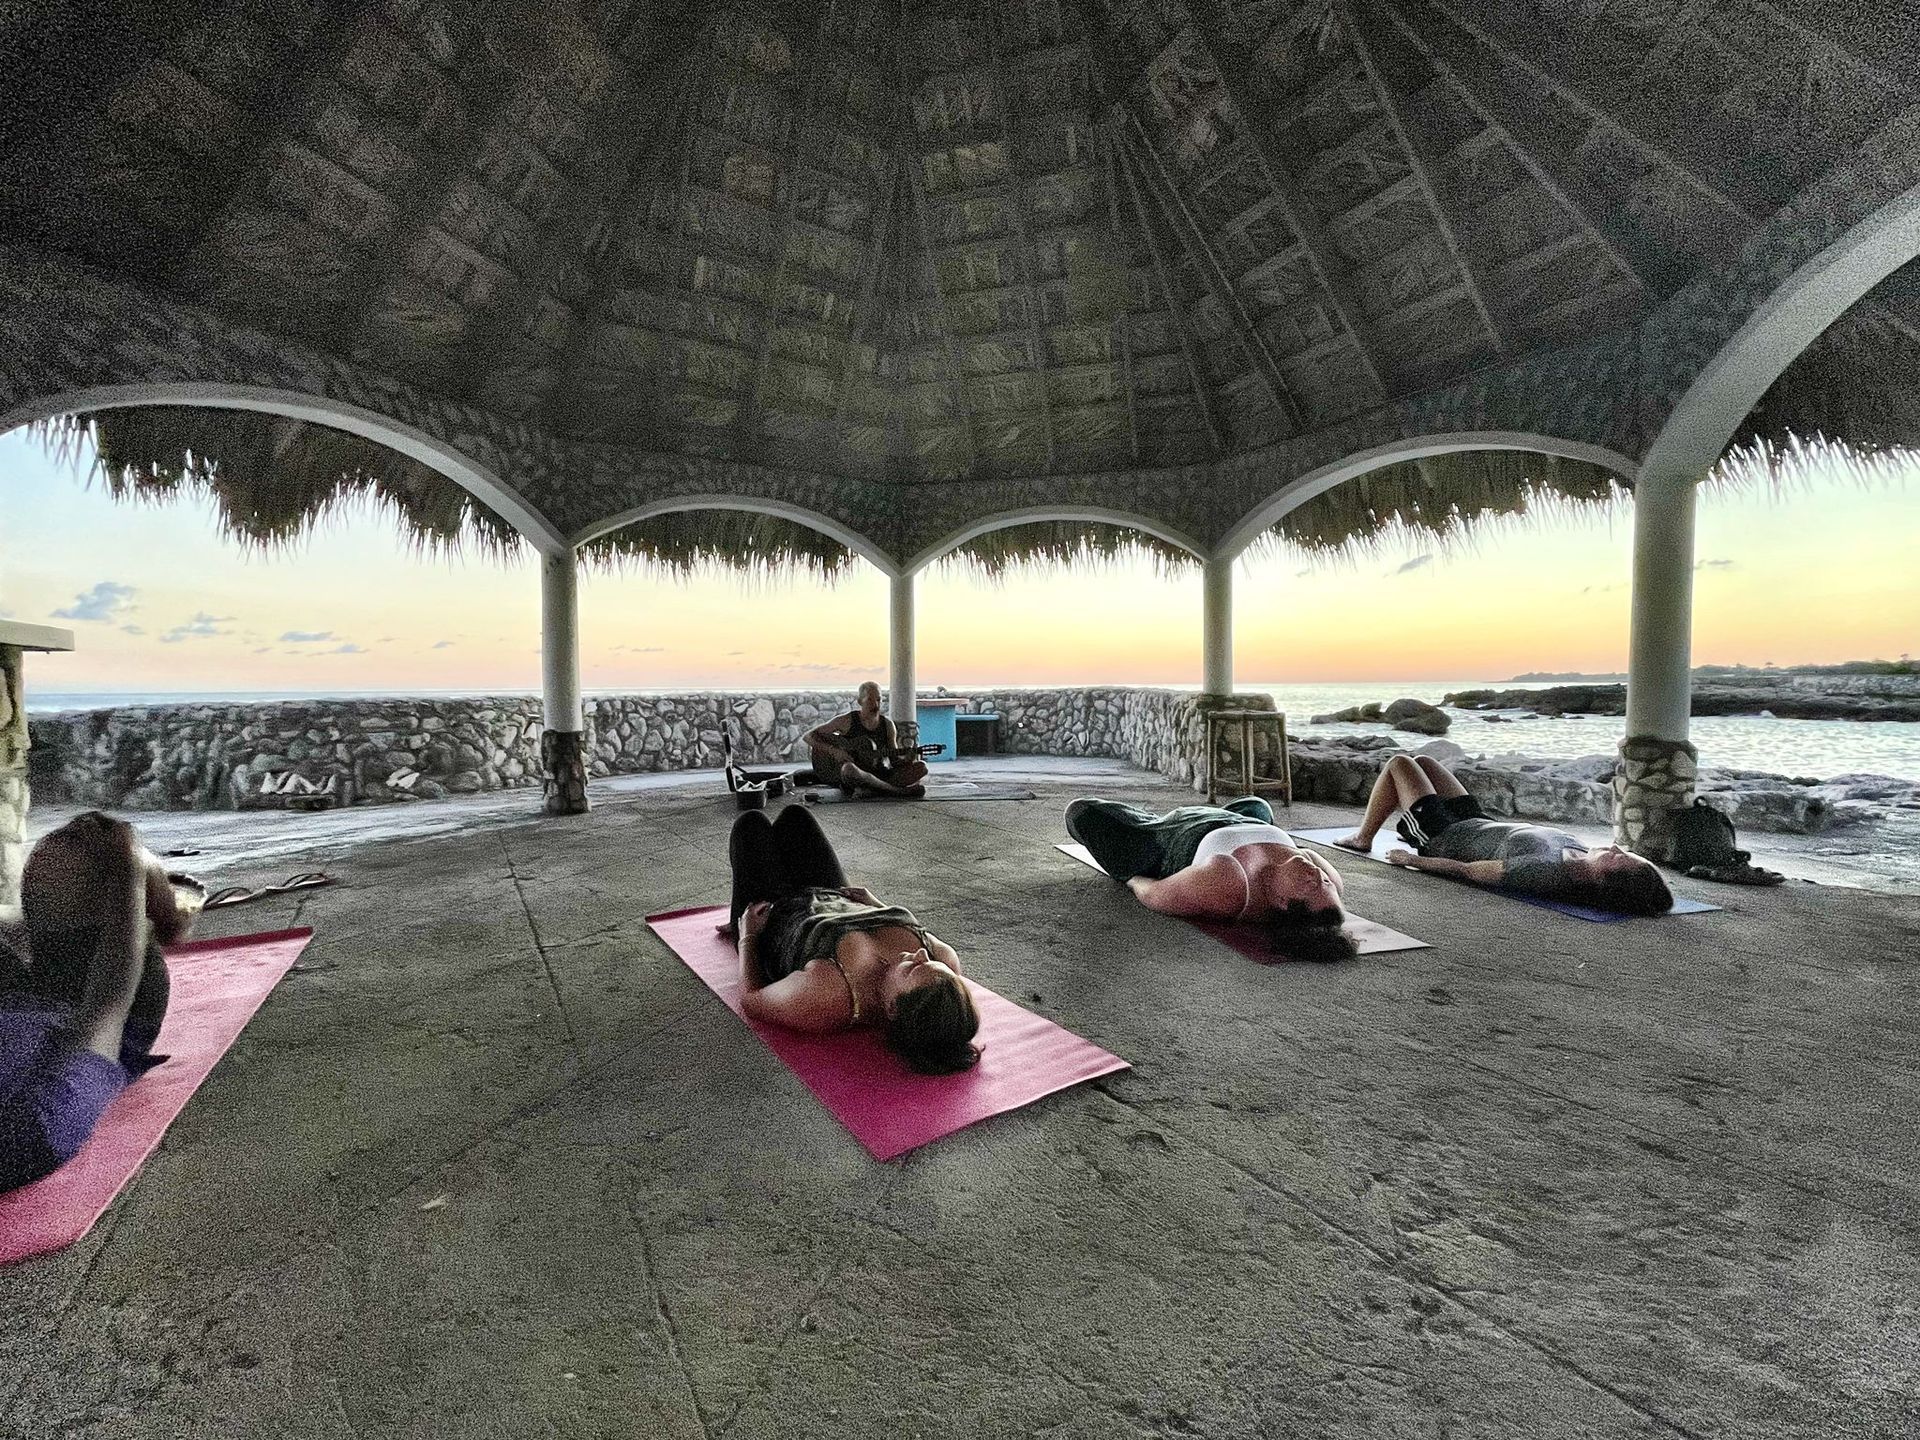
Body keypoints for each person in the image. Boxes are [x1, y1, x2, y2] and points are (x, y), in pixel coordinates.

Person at [1, 812, 198, 1193]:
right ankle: (164, 906)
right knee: (90, 856)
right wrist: (129, 869)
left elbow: (106, 1004)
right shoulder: (33, 1130)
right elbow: (109, 1005)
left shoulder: (27, 1129)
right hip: (91, 1003)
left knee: (87, 854)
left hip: (41, 1002)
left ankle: (157, 894)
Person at [723, 804, 979, 1073]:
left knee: (751, 824)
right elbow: (918, 941)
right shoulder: (943, 965)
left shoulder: (827, 996)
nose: (921, 954)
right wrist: (878, 907)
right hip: (837, 897)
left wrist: (747, 935)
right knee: (795, 818)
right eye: (926, 959)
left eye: (913, 968)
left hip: (773, 913)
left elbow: (752, 1000)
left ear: (891, 1009)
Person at [1335, 753, 1674, 915]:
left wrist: (1411, 859)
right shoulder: (1582, 851)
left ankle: (1363, 836)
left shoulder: (1542, 871)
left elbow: (1467, 871)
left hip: (1443, 834)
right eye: (1625, 851)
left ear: (1605, 883)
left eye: (1619, 860)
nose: (1616, 848)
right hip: (1476, 820)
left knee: (1400, 764)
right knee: (1425, 760)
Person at [1064, 795, 1357, 961]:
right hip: (1240, 819)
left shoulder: (1229, 886)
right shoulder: (1327, 880)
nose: (1317, 874)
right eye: (1326, 882)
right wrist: (1323, 886)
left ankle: (1144, 822)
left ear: (1281, 901)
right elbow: (1322, 883)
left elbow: (1153, 894)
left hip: (1171, 833)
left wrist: (1128, 875)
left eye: (1310, 885)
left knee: (1081, 813)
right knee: (1259, 806)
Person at [803, 682, 928, 798]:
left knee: (921, 767)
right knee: (849, 769)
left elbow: (894, 762)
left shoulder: (888, 726)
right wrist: (834, 751)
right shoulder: (847, 720)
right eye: (870, 700)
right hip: (855, 774)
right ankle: (897, 792)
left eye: (879, 700)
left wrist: (908, 759)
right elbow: (808, 736)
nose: (875, 705)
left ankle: (873, 789)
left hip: (880, 773)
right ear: (860, 701)